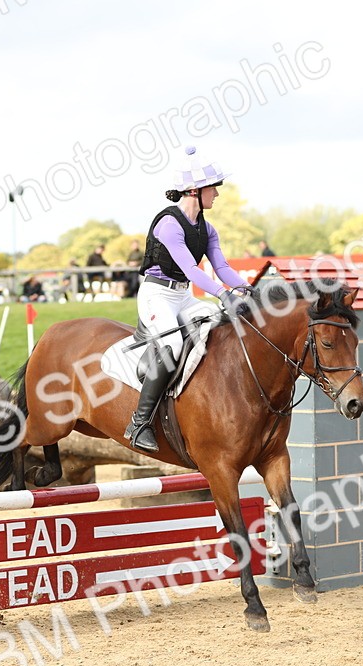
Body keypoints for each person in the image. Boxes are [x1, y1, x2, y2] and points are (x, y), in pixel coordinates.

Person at [124, 145, 253, 453]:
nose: (217, 194)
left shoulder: (207, 228)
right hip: (157, 295)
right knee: (173, 344)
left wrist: (248, 289)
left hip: (183, 296)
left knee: (218, 327)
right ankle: (139, 423)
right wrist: (223, 294)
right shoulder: (168, 224)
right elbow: (192, 269)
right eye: (214, 188)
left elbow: (221, 267)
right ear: (195, 190)